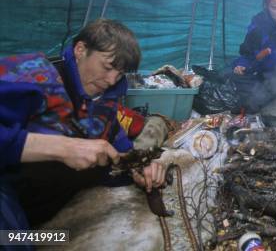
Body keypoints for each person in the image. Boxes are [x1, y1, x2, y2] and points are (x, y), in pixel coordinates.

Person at [0, 19, 166, 229]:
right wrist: (60, 148)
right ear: (80, 50)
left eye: (121, 73)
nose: (112, 80)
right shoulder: (30, 76)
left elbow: (121, 155)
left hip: (41, 214)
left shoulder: (106, 105)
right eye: (107, 67)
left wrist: (140, 169)